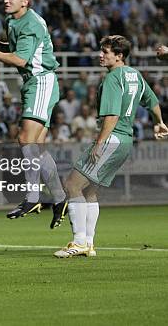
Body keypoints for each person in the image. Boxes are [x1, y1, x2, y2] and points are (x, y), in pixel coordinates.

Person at [54, 36, 168, 258]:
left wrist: (99, 142)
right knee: (89, 191)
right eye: (101, 51)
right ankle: (88, 244)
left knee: (72, 185)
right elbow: (152, 101)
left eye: (106, 52)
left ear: (119, 56)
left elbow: (112, 115)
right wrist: (159, 122)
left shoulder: (113, 78)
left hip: (112, 138)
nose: (101, 55)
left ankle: (78, 242)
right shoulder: (135, 75)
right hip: (125, 141)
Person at [0, 0, 68, 228]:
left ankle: (32, 198)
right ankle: (59, 198)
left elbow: (19, 58)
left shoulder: (31, 23)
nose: (6, 0)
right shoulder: (14, 21)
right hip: (34, 83)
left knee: (25, 139)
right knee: (36, 147)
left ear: (25, 1)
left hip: (41, 82)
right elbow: (17, 49)